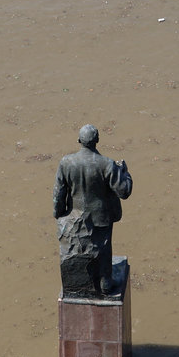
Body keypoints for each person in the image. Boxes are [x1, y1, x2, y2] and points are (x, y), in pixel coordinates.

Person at [53, 124, 132, 298]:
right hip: (100, 217)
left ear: (79, 141)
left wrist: (58, 213)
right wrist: (125, 173)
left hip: (74, 217)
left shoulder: (66, 162)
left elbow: (59, 192)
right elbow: (124, 191)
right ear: (97, 141)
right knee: (103, 250)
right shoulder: (107, 164)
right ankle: (105, 283)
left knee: (78, 251)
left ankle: (77, 284)